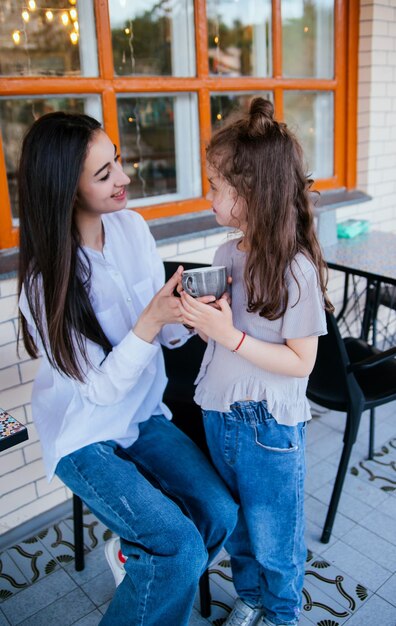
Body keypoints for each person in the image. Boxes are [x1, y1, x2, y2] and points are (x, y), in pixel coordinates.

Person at [17, 111, 238, 626]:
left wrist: (190, 316)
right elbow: (97, 390)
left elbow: (163, 331)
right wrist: (149, 322)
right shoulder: (44, 284)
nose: (124, 177)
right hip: (85, 433)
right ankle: (150, 570)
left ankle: (136, 562)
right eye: (104, 173)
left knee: (220, 514)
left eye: (116, 159)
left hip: (142, 414)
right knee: (179, 549)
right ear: (65, 190)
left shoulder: (132, 228)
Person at [180, 98, 333, 626]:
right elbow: (228, 335)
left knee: (275, 537)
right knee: (241, 530)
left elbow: (300, 364)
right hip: (220, 415)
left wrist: (229, 335)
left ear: (250, 196)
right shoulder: (226, 256)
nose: (209, 194)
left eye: (216, 186)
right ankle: (250, 596)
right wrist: (203, 325)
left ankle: (282, 614)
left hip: (268, 427)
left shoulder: (296, 270)